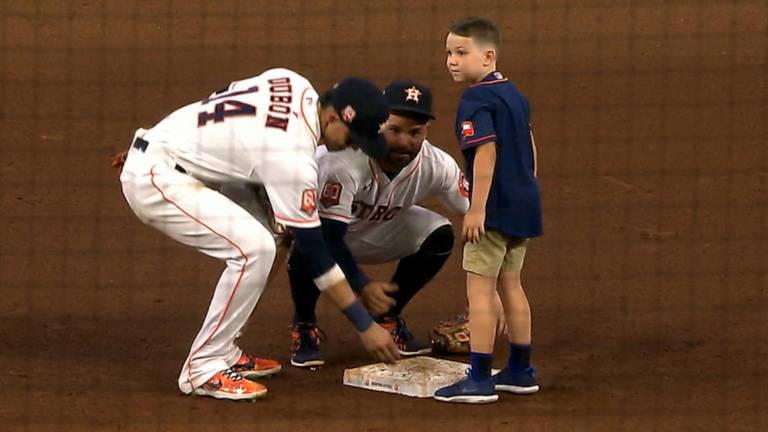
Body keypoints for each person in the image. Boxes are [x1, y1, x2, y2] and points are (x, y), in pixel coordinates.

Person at [117, 68, 400, 401]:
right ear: (335, 116)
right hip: (158, 179)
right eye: (354, 137)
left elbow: (221, 96)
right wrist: (363, 324)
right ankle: (203, 367)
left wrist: (171, 142)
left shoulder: (291, 81)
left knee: (275, 235)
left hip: (167, 150)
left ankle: (224, 351)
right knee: (255, 250)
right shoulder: (292, 157)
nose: (354, 147)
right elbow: (314, 251)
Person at [287, 80, 470, 368]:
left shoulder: (438, 165)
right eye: (394, 130)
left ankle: (387, 318)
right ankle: (304, 324)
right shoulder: (342, 162)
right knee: (307, 240)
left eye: (415, 132)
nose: (404, 142)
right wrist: (362, 285)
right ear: (377, 124)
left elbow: (477, 213)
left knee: (440, 232)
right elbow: (329, 240)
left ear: (427, 131)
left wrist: (487, 296)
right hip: (331, 238)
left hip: (379, 232)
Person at [434, 17, 543, 404]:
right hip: (524, 204)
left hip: (494, 208)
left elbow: (486, 151)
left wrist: (476, 209)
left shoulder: (476, 98)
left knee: (480, 292)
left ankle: (479, 378)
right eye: (448, 52)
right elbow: (529, 146)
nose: (452, 60)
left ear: (488, 55)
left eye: (461, 53)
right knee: (512, 285)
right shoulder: (514, 93)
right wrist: (527, 187)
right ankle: (520, 370)